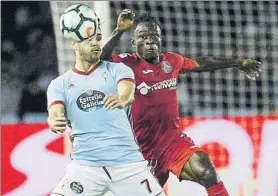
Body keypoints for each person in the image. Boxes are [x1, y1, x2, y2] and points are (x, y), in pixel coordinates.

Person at [100, 10, 262, 196]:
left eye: (154, 36)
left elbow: (203, 63)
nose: (150, 40)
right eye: (143, 36)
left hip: (172, 142)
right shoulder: (126, 64)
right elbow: (100, 61)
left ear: (160, 39)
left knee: (206, 171)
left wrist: (238, 62)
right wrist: (118, 31)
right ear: (133, 42)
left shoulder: (172, 61)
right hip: (139, 152)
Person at [47, 8, 165, 196]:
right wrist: (54, 122)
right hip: (85, 168)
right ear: (74, 44)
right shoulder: (59, 85)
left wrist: (122, 98)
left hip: (128, 165)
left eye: (98, 38)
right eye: (89, 39)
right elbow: (55, 114)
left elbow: (127, 92)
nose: (95, 43)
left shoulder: (118, 70)